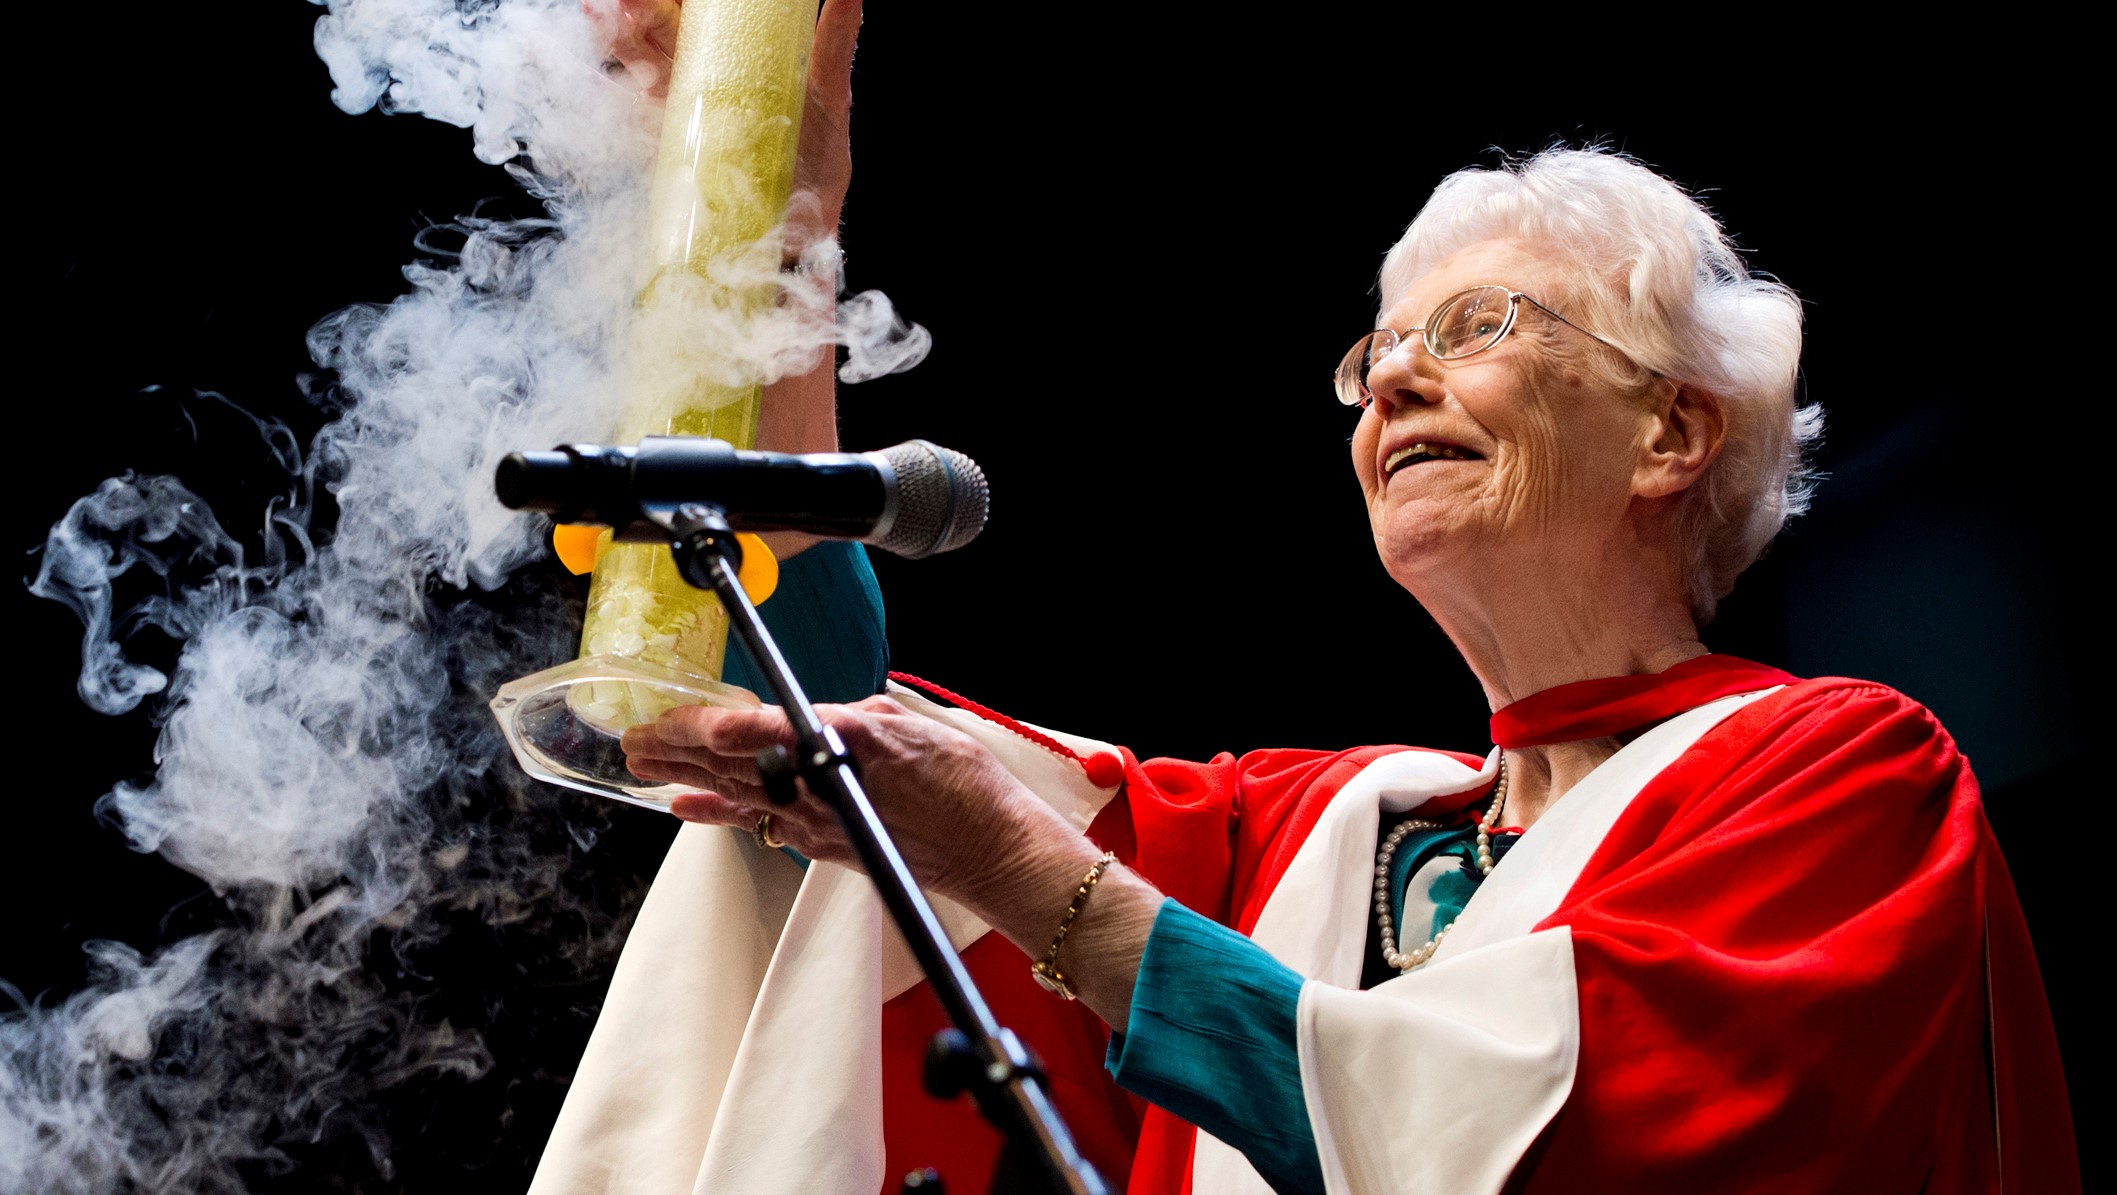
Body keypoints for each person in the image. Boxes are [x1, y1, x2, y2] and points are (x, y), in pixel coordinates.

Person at [536, 5, 2079, 1192]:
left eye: (1478, 325)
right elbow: (820, 738)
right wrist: (778, 212)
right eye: (1374, 354)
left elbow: (1561, 1138)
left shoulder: (1838, 769)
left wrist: (1001, 852)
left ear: (1671, 431)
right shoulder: (1317, 829)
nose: (1394, 372)